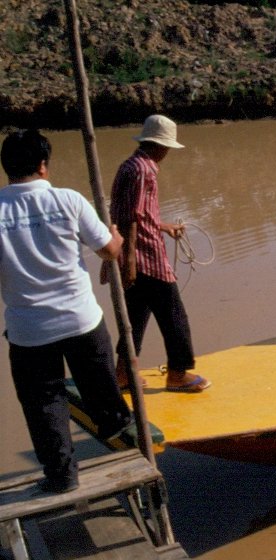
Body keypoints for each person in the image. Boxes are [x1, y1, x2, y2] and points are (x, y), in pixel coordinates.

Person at [0, 129, 133, 494]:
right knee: (100, 383)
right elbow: (108, 251)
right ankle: (115, 424)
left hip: (29, 330)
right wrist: (118, 238)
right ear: (43, 166)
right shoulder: (68, 200)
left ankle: (61, 475)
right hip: (80, 319)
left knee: (44, 402)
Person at [108, 114, 210, 393]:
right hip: (145, 257)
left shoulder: (131, 165)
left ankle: (123, 372)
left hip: (135, 253)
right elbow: (130, 217)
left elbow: (132, 213)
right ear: (161, 145)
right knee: (174, 313)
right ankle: (178, 373)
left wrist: (163, 226)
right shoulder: (145, 169)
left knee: (136, 315)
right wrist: (130, 261)